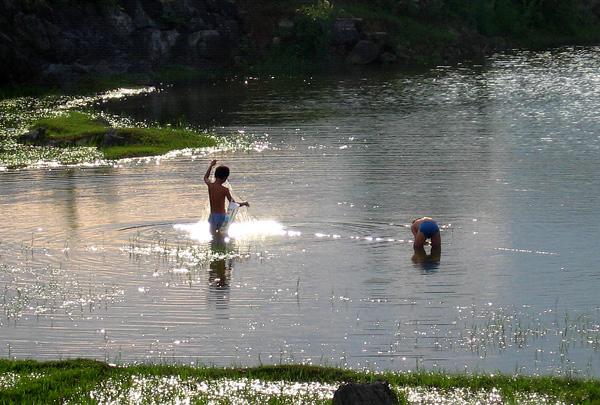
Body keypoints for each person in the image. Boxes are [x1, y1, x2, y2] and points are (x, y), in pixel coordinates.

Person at [204, 160, 249, 235]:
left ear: (215, 175)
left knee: (213, 236)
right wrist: (243, 203)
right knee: (222, 236)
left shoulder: (210, 186)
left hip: (213, 216)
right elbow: (233, 204)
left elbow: (205, 177)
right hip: (221, 217)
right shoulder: (225, 190)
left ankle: (214, 246)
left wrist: (211, 165)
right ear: (225, 177)